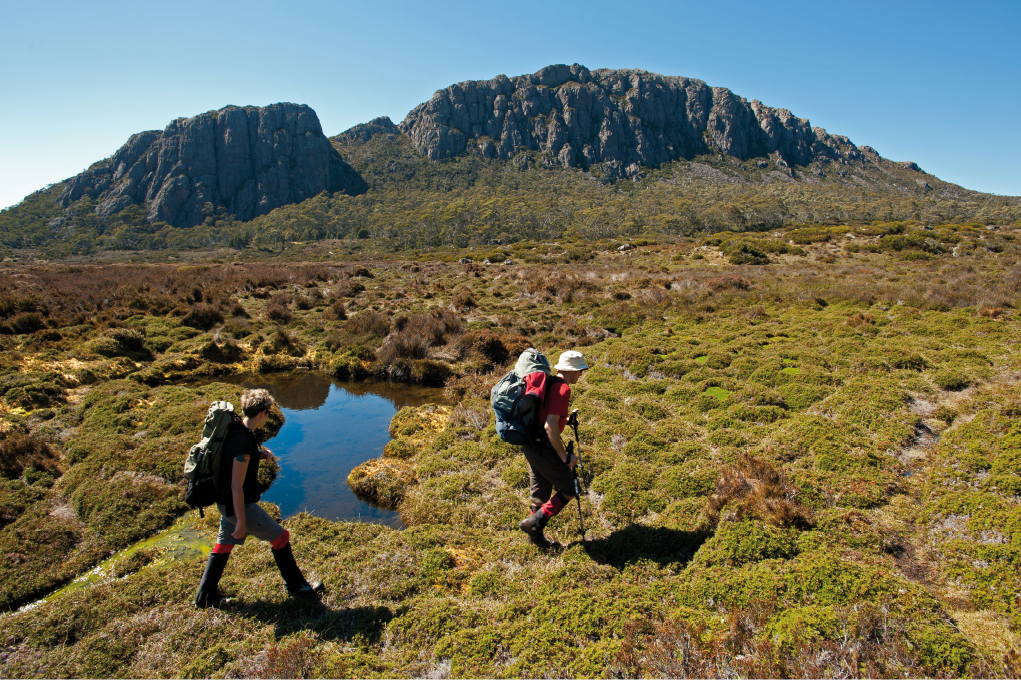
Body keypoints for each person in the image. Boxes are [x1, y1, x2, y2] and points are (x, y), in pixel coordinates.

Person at [194, 388, 323, 608]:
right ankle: (296, 586)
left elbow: (236, 460)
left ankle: (204, 597)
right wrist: (242, 520)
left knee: (223, 545)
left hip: (224, 503)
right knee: (280, 537)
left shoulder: (237, 429)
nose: (269, 416)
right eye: (269, 412)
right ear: (262, 413)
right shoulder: (243, 443)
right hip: (237, 505)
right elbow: (237, 485)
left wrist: (259, 453)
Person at [518, 350, 588, 548]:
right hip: (543, 447)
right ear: (572, 371)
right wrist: (565, 457)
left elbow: (548, 415)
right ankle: (534, 524)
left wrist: (566, 419)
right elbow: (550, 425)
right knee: (570, 489)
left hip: (530, 443)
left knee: (540, 495)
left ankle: (535, 538)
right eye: (580, 371)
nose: (581, 375)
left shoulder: (547, 383)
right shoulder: (563, 389)